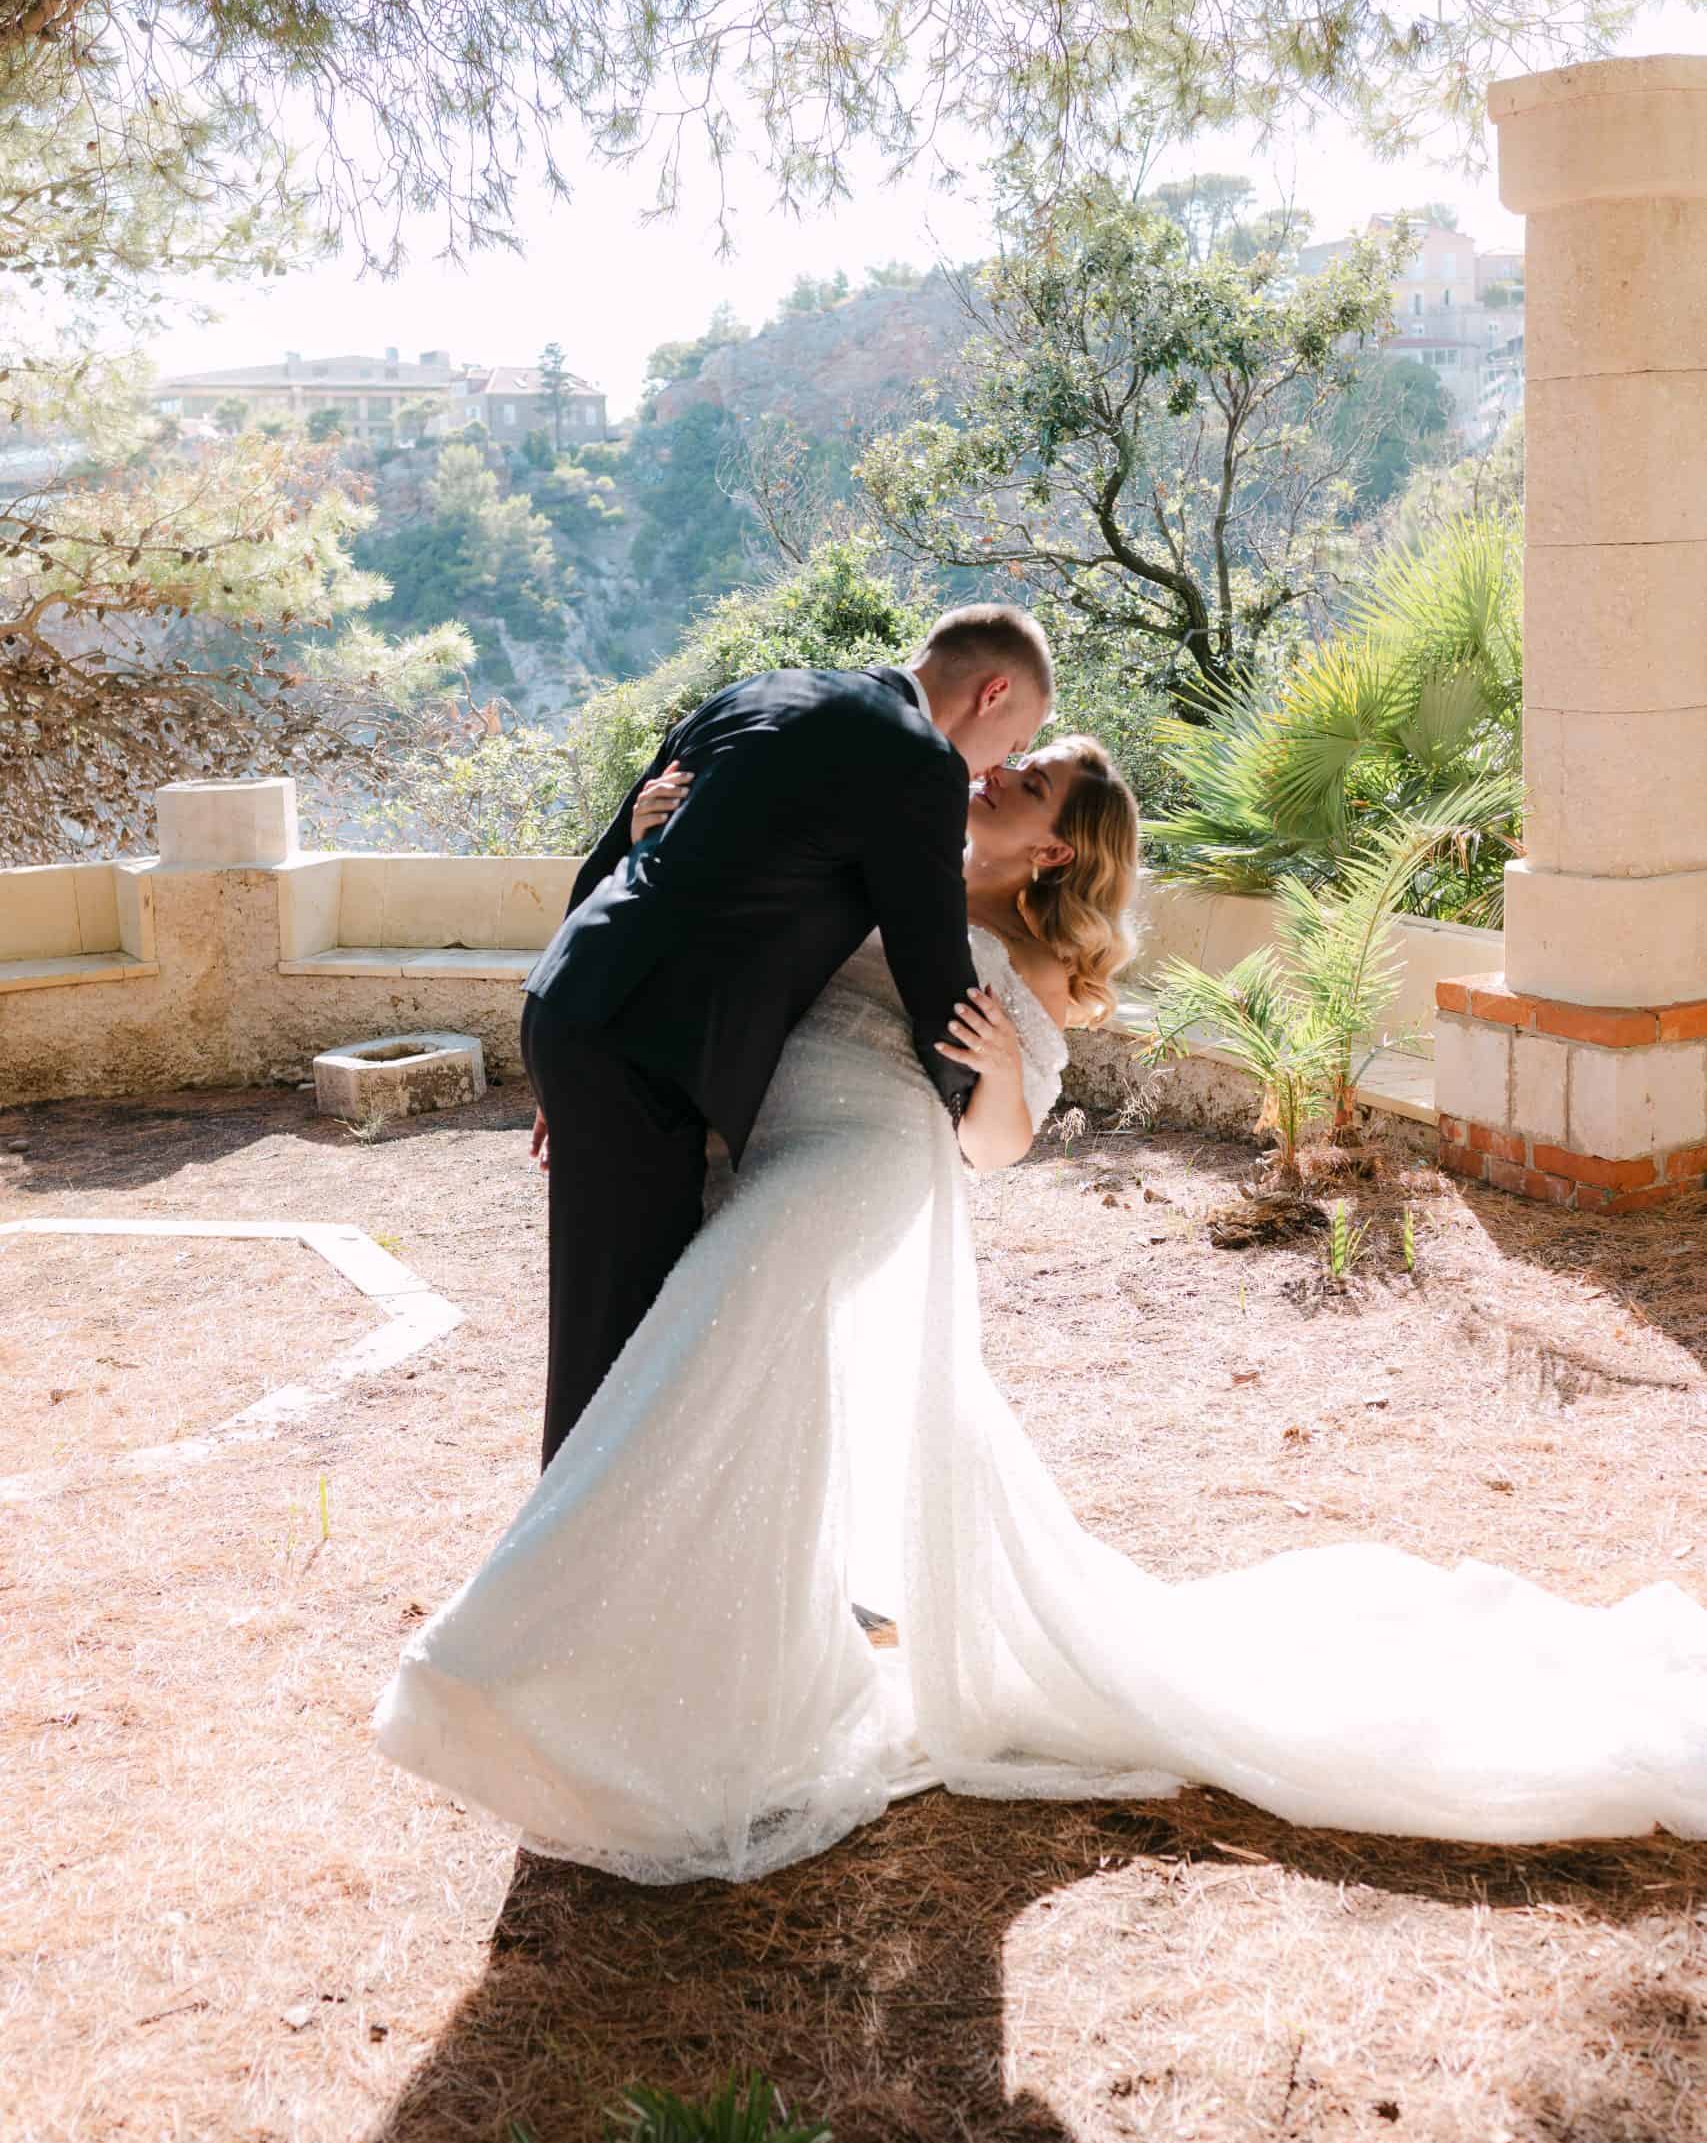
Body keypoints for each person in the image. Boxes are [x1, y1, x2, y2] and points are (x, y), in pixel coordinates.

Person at [376, 742, 1707, 1884]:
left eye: (1032, 781)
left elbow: (995, 1150)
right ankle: (698, 1697)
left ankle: (495, 1662)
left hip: (859, 1165)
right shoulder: (868, 864)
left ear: (1056, 858)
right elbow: (707, 963)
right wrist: (667, 842)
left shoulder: (1028, 962)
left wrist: (1004, 1071)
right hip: (755, 1146)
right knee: (731, 1413)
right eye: (1018, 758)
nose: (998, 770)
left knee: (682, 1373)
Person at [518, 605, 1054, 1468]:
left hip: (576, 1003)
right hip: (647, 1051)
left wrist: (565, 1052)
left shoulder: (757, 690)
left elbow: (607, 857)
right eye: (1012, 740)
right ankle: (568, 1564)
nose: (995, 768)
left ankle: (615, 1545)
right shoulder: (919, 760)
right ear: (993, 693)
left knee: (625, 1312)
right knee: (626, 1335)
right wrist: (974, 1104)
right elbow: (931, 963)